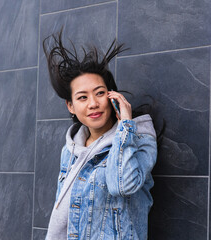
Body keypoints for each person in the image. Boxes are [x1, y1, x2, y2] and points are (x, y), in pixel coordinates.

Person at [43, 30, 158, 240]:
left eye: (99, 93)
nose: (93, 103)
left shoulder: (138, 139)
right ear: (70, 106)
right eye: (82, 97)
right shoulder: (70, 151)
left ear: (112, 96)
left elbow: (122, 185)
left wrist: (126, 126)